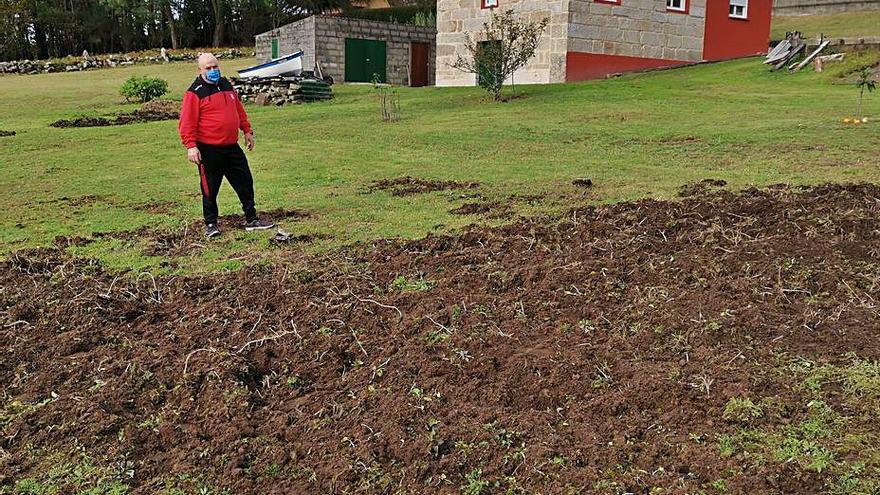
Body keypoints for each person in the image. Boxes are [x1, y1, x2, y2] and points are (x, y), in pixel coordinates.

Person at [178, 52, 274, 238]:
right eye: (208, 68)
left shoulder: (226, 85)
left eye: (215, 66)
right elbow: (186, 122)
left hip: (231, 146)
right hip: (208, 149)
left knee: (245, 181)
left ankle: (252, 219)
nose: (213, 71)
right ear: (200, 70)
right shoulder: (194, 92)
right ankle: (211, 224)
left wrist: (246, 131)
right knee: (210, 188)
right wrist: (191, 145)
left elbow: (238, 109)